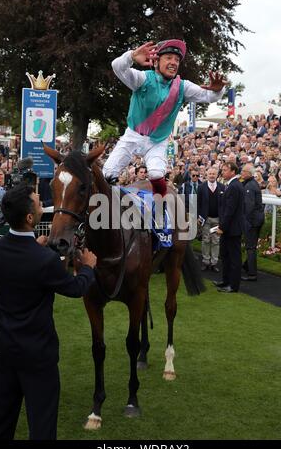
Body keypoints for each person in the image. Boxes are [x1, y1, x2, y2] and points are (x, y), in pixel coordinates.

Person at [0, 183, 97, 440]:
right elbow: (75, 288)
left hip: (1, 351)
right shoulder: (45, 260)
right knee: (42, 426)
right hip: (38, 355)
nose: (43, 205)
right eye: (39, 203)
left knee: (0, 422)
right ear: (30, 217)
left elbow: (20, 265)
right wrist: (88, 267)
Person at [103, 40, 227, 197]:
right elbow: (117, 67)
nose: (173, 63)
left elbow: (209, 96)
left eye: (176, 60)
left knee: (156, 173)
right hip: (133, 136)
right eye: (168, 57)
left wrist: (218, 90)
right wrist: (132, 56)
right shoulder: (143, 79)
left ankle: (162, 212)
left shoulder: (183, 86)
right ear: (156, 61)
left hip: (157, 141)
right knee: (107, 173)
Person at [214, 162, 244, 293]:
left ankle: (233, 285)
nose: (223, 172)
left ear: (233, 171)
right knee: (225, 255)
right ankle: (226, 281)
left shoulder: (234, 186)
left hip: (232, 229)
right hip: (229, 228)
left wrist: (222, 227)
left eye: (225, 170)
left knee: (233, 258)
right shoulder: (231, 185)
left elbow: (229, 210)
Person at [197, 167, 225, 272]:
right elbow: (198, 203)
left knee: (216, 241)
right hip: (206, 219)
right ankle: (205, 261)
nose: (212, 175)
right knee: (206, 240)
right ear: (207, 175)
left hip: (217, 219)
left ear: (217, 175)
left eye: (214, 174)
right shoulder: (201, 187)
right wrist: (198, 217)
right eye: (210, 174)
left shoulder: (222, 187)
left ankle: (214, 263)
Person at [241, 164, 265, 281]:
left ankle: (252, 274)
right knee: (252, 245)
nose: (241, 173)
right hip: (257, 219)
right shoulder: (251, 183)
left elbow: (249, 206)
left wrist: (246, 221)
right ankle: (247, 266)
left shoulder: (250, 185)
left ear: (249, 173)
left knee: (250, 247)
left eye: (243, 171)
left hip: (253, 220)